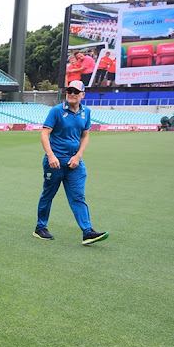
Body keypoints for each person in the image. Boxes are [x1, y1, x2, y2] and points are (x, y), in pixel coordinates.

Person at [34, 80, 108, 245]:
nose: (72, 94)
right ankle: (40, 227)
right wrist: (51, 156)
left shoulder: (86, 112)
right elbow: (44, 134)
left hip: (75, 162)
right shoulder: (57, 111)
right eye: (69, 91)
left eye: (75, 91)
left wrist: (78, 156)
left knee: (78, 196)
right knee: (48, 194)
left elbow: (85, 135)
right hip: (55, 162)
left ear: (82, 94)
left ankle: (87, 231)